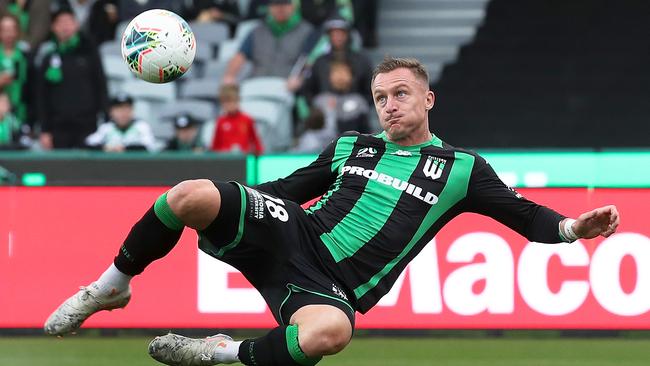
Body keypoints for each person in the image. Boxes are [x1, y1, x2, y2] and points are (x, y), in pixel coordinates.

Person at [44, 57, 620, 366]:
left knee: (330, 334)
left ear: (428, 98)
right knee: (189, 194)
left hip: (332, 285)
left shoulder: (461, 168)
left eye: (400, 94)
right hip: (294, 232)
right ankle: (110, 286)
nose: (389, 106)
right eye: (380, 98)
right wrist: (231, 204)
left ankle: (217, 352)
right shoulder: (353, 146)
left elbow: (527, 219)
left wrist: (573, 228)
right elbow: (289, 188)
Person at [34, 4, 108, 149]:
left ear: (76, 25)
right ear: (53, 27)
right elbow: (41, 95)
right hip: (58, 126)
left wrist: (105, 120)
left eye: (68, 22)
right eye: (60, 23)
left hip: (88, 123)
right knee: (60, 168)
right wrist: (45, 130)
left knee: (89, 168)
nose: (65, 27)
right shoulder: (48, 56)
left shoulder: (89, 52)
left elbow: (101, 85)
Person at [222, 0, 315, 86]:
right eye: (275, 5)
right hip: (257, 81)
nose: (280, 8)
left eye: (284, 4)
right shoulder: (257, 31)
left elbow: (309, 61)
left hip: (286, 84)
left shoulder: (307, 31)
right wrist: (229, 76)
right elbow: (240, 56)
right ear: (269, 8)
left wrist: (299, 79)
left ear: (292, 7)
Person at [312, 59, 371, 134]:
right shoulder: (320, 101)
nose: (340, 76)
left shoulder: (360, 101)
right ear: (329, 77)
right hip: (325, 143)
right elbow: (313, 132)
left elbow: (366, 131)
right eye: (336, 72)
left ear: (351, 76)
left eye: (344, 72)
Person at [85, 93, 157, 152]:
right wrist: (105, 148)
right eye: (119, 109)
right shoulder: (106, 128)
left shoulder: (141, 126)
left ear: (132, 111)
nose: (123, 113)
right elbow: (88, 144)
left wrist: (124, 149)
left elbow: (149, 146)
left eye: (127, 109)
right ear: (111, 112)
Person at [210, 84, 263, 154]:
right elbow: (215, 145)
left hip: (243, 158)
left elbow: (256, 142)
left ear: (238, 101)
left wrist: (259, 153)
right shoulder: (220, 121)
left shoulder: (247, 119)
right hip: (225, 159)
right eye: (226, 103)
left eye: (232, 101)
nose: (229, 105)